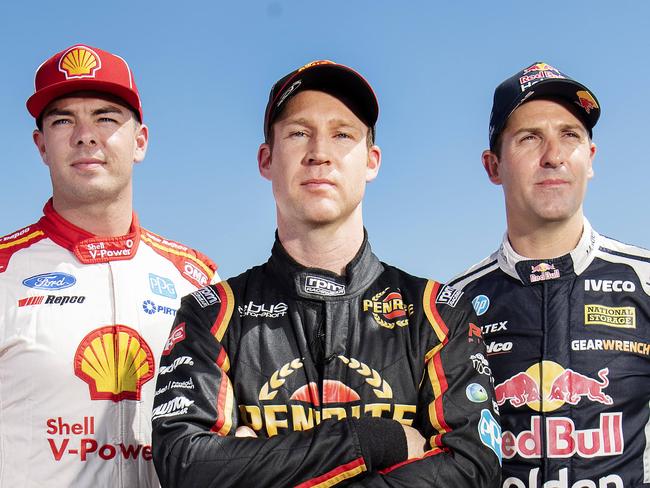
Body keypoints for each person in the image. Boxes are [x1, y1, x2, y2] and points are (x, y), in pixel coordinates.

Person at [152, 60, 501, 487]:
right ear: (267, 159)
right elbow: (186, 467)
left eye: (342, 135)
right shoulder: (210, 314)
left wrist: (251, 463)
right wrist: (375, 441)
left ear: (371, 161)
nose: (320, 152)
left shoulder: (439, 312)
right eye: (299, 133)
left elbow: (474, 468)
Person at [0, 44, 219, 487]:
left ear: (139, 141)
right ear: (41, 146)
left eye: (105, 117)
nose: (85, 135)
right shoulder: (5, 269)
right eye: (63, 120)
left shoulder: (198, 280)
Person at [451, 62, 650, 488]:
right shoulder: (451, 304)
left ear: (590, 159)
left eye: (570, 135)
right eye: (529, 138)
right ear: (493, 166)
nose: (554, 156)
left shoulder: (645, 281)